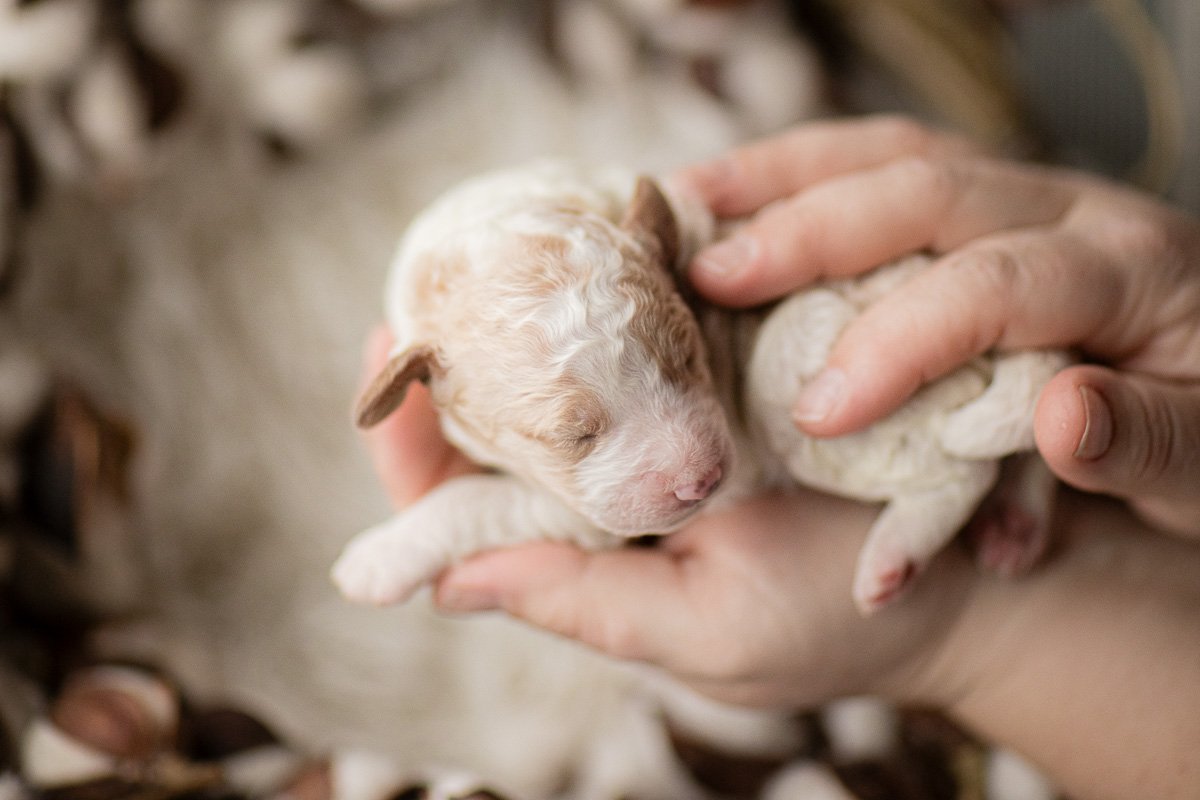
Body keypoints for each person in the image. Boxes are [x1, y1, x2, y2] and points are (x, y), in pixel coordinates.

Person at [361, 116, 1200, 800]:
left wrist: (967, 631)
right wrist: (962, 627)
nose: (695, 466)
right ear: (425, 387)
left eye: (682, 361)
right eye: (581, 433)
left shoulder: (632, 224)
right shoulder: (450, 355)